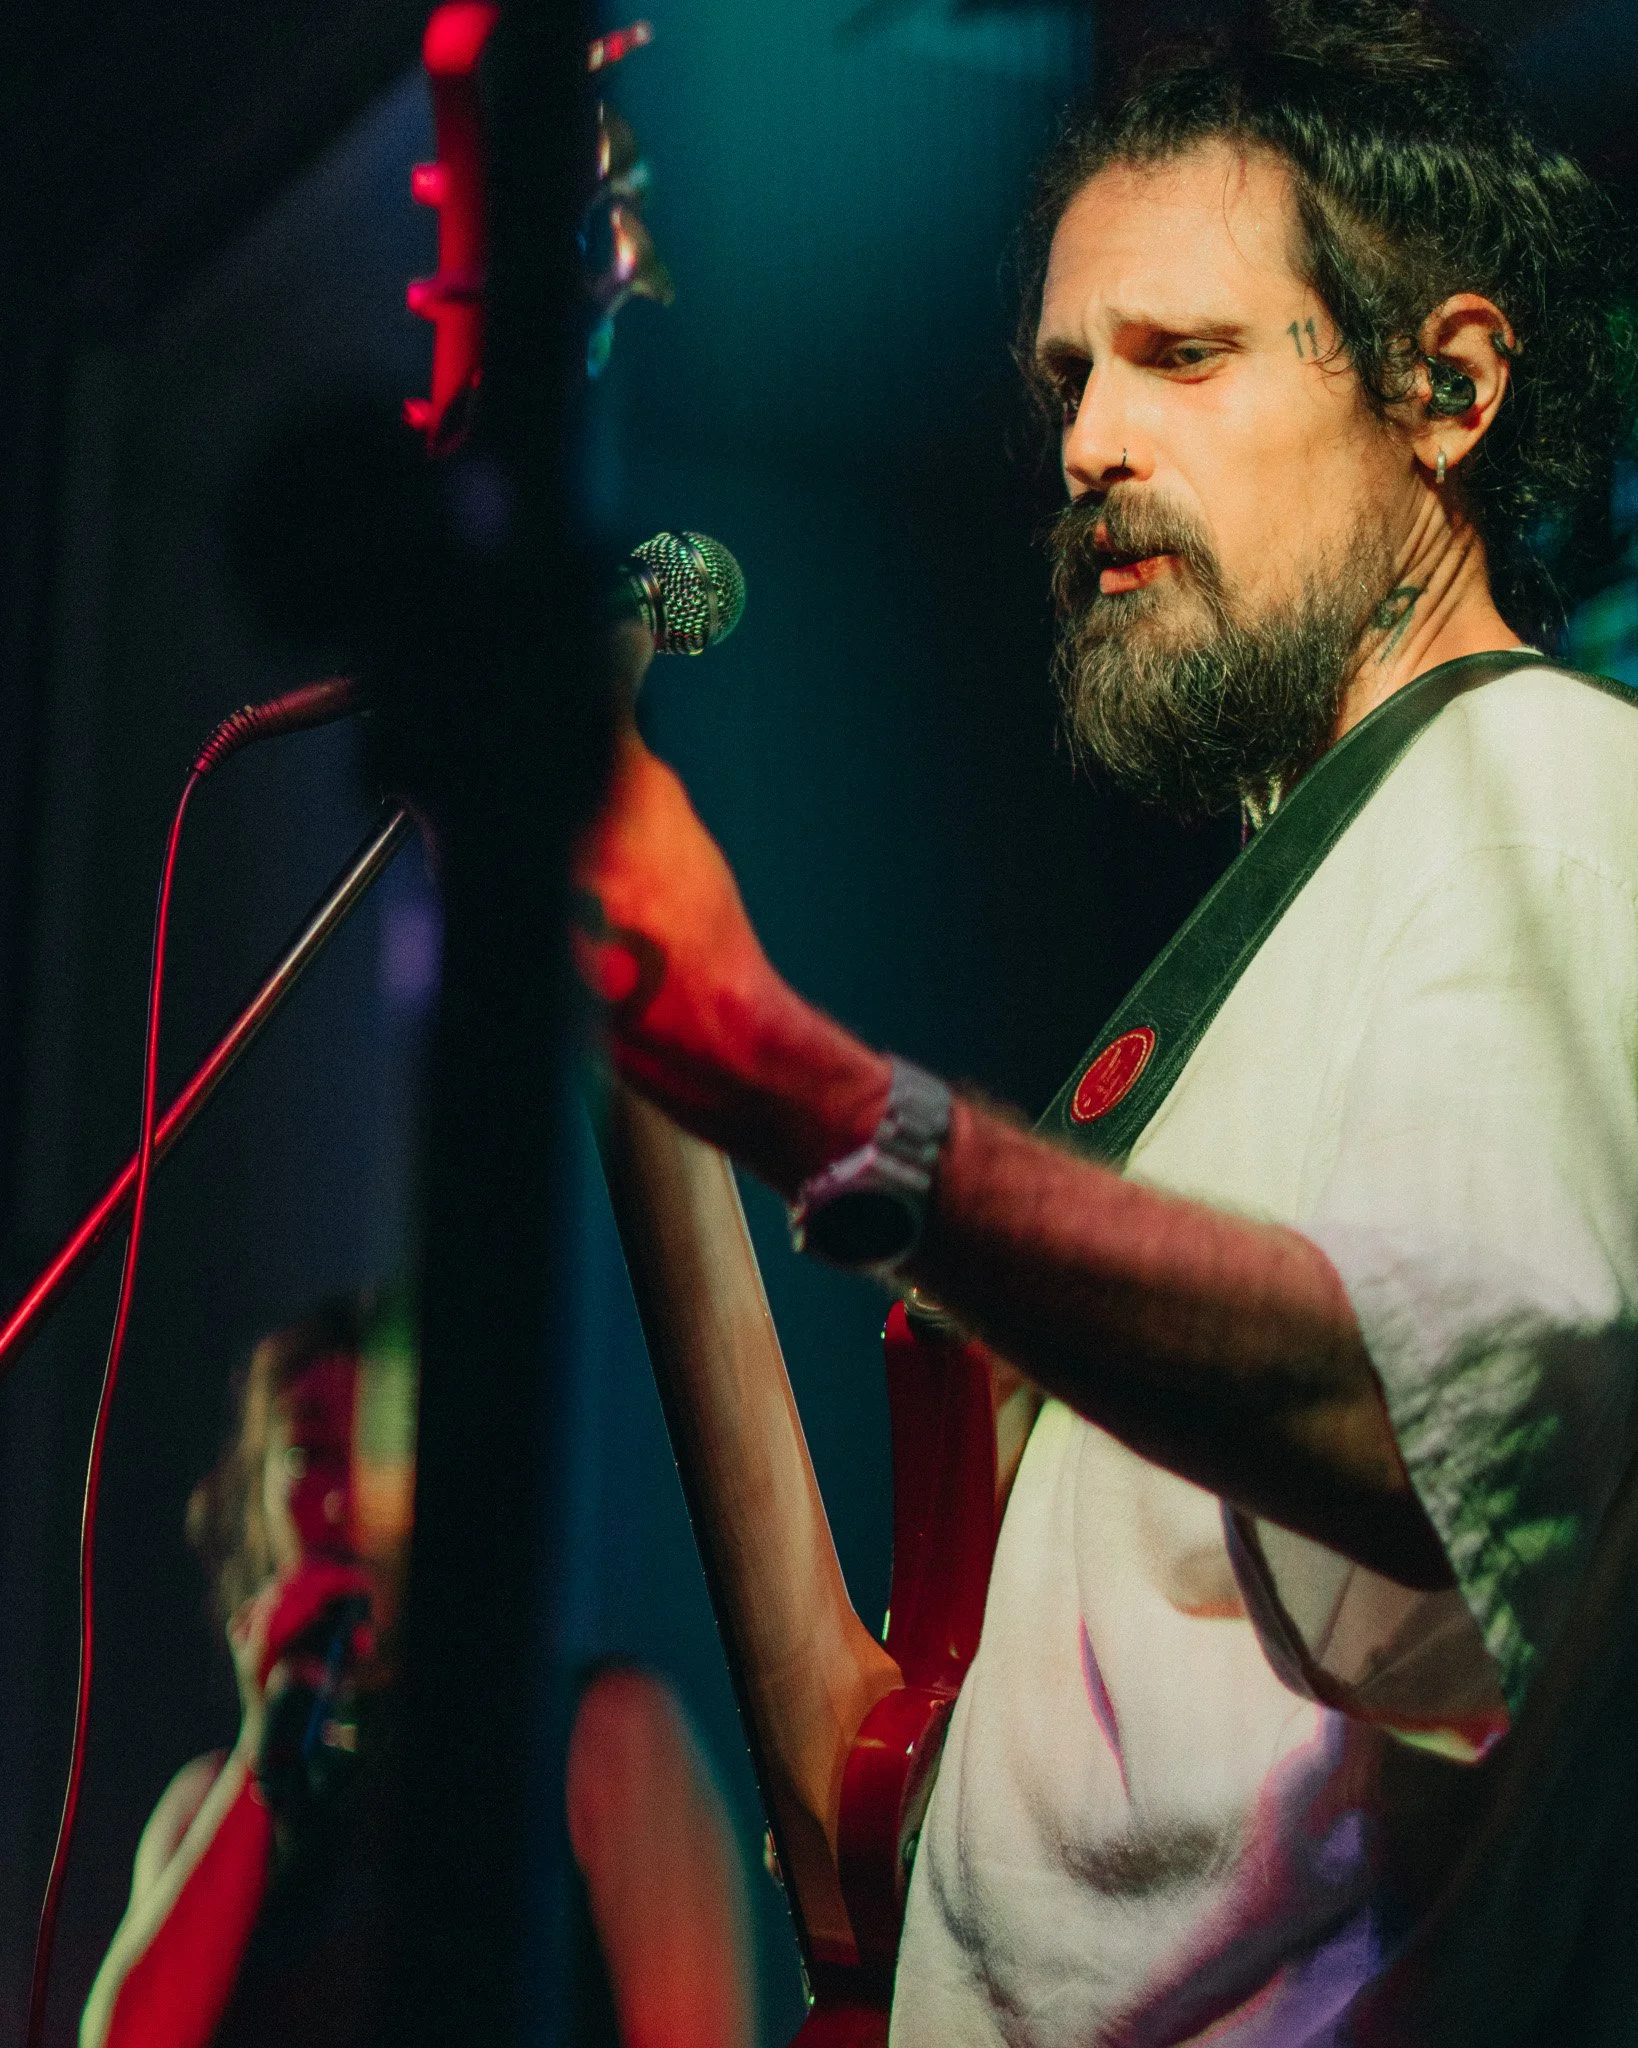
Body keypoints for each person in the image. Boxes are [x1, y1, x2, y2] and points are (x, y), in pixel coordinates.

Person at [572, 1, 1638, 2041]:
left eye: (1185, 354)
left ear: (1449, 385)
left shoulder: (1547, 807)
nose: (1084, 444)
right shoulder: (1268, 965)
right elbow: (859, 1818)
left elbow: (1445, 1444)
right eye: (1073, 373)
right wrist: (656, 1032)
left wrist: (823, 1100)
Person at [79, 1294, 416, 2048]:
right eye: (311, 1453)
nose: (346, 1497)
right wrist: (261, 1749)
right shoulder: (206, 1803)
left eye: (382, 1454)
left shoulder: (594, 1743)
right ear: (258, 1495)